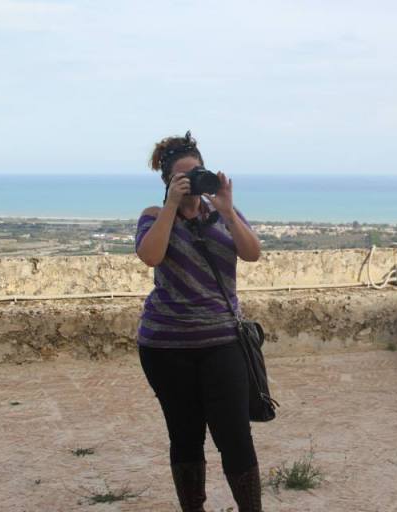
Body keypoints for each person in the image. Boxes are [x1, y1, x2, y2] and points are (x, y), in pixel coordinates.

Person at [134, 131, 263, 512]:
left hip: (223, 341)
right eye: (183, 176)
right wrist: (172, 206)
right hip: (166, 347)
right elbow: (151, 256)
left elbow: (252, 253)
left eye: (198, 172)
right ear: (168, 180)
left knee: (235, 435)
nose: (193, 181)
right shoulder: (154, 217)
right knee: (186, 435)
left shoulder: (224, 215)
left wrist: (227, 209)